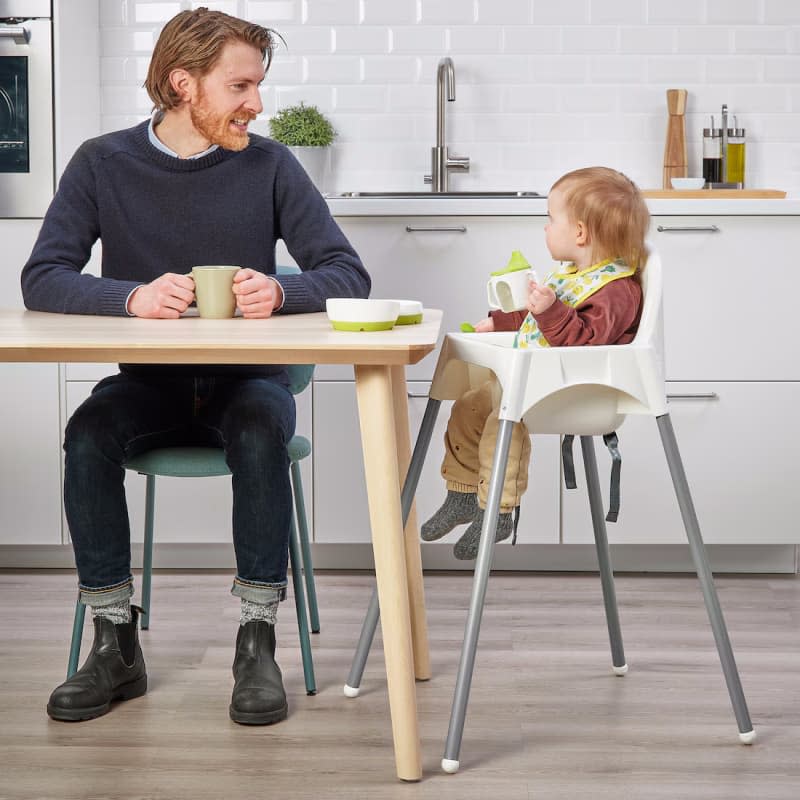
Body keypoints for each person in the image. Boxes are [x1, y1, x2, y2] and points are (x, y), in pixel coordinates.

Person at [21, 8, 370, 725]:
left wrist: (282, 290)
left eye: (259, 86)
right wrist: (131, 298)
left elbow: (347, 273)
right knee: (88, 435)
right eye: (240, 85)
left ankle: (257, 641)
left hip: (250, 384)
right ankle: (115, 643)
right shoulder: (102, 162)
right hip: (148, 384)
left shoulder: (271, 164)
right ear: (185, 84)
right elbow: (43, 276)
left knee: (257, 431)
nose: (257, 103)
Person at [421, 166, 650, 560]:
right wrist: (499, 322)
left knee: (499, 421)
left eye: (550, 218)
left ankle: (498, 509)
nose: (545, 227)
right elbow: (540, 320)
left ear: (579, 232)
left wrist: (549, 310)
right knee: (470, 405)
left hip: (575, 390)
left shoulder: (616, 289)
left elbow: (585, 342)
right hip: (536, 382)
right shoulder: (577, 275)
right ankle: (461, 494)